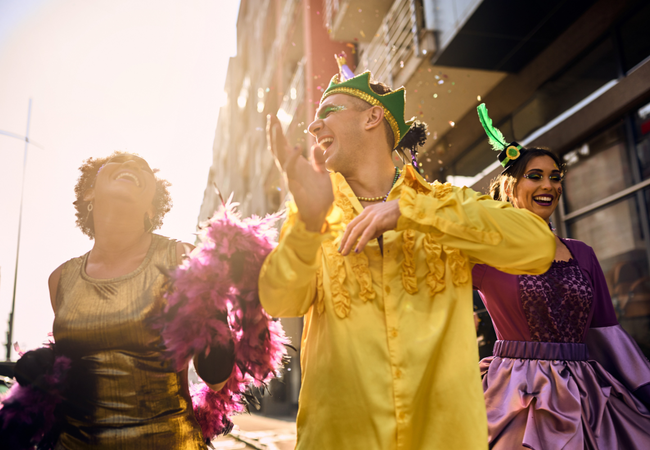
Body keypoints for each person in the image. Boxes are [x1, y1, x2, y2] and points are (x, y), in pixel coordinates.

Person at [258, 67, 557, 449]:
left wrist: (411, 212)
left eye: (329, 111)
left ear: (372, 116)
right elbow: (279, 300)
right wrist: (308, 224)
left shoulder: (445, 203)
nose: (314, 126)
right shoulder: (315, 211)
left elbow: (537, 246)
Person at [472, 104, 650, 449]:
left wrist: (643, 384)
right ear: (510, 185)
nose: (548, 185)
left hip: (587, 396)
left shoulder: (582, 253)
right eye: (535, 175)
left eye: (555, 177)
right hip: (514, 397)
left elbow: (606, 332)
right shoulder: (485, 250)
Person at [44, 152, 235, 449]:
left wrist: (214, 311)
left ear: (151, 205)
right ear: (89, 192)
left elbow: (216, 380)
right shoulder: (60, 279)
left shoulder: (183, 259)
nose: (132, 165)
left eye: (143, 168)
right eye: (118, 162)